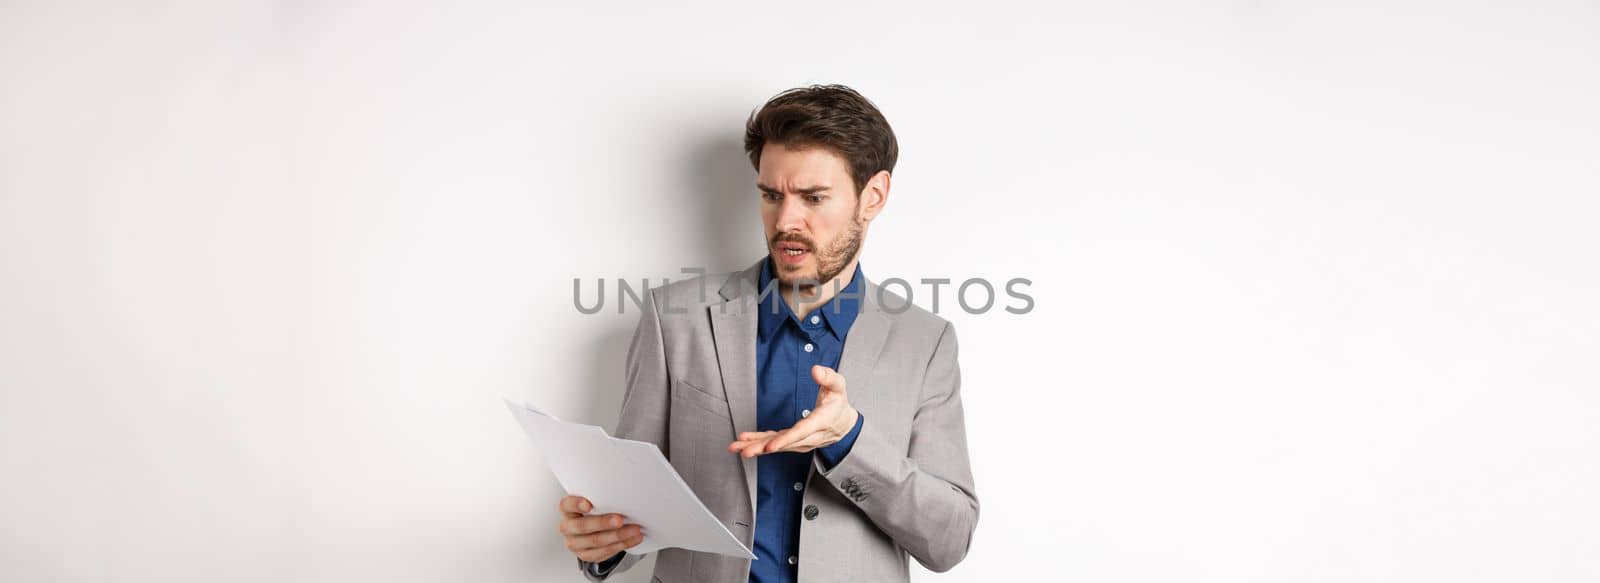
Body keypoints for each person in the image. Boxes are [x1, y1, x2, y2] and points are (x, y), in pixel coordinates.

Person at [556, 84, 978, 582]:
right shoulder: (676, 319)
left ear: (874, 196)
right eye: (771, 195)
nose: (786, 221)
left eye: (813, 197)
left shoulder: (925, 343)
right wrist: (602, 543)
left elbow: (949, 540)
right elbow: (627, 509)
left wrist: (849, 439)